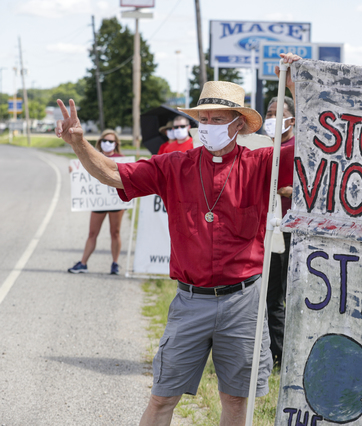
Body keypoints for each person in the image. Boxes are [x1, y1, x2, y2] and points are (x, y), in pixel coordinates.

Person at [55, 53, 301, 426]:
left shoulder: (261, 164)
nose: (208, 126)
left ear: (238, 126)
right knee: (161, 398)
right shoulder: (174, 166)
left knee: (236, 400)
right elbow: (113, 174)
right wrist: (78, 143)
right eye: (203, 119)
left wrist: (296, 85)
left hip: (244, 302)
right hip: (190, 300)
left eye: (217, 120)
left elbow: (315, 145)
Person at [263, 95, 296, 368]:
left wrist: (290, 191)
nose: (271, 119)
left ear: (292, 120)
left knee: (278, 296)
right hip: (265, 229)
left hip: (289, 232)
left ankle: (282, 356)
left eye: (277, 113)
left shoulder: (300, 148)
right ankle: (276, 352)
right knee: (268, 294)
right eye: (269, 113)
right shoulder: (263, 148)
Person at [68, 129, 126, 275]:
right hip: (98, 201)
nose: (108, 144)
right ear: (100, 142)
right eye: (105, 141)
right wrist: (74, 172)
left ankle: (115, 264)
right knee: (92, 233)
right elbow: (83, 171)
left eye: (111, 141)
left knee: (115, 233)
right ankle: (83, 263)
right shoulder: (94, 157)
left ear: (116, 144)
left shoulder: (122, 159)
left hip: (115, 201)